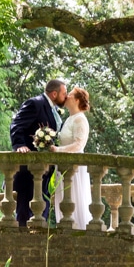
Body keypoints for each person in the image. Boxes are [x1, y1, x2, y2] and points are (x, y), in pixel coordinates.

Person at [9, 79, 66, 226]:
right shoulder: (35, 103)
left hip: (44, 169)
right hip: (28, 170)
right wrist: (19, 145)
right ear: (54, 94)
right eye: (64, 94)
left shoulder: (52, 109)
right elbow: (16, 124)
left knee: (41, 208)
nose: (65, 97)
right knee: (24, 209)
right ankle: (22, 242)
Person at [52, 87, 94, 230]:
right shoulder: (70, 119)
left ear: (76, 100)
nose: (66, 97)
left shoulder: (80, 119)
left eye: (69, 95)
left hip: (74, 167)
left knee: (74, 198)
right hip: (63, 165)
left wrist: (57, 150)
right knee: (64, 197)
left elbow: (78, 144)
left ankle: (78, 230)